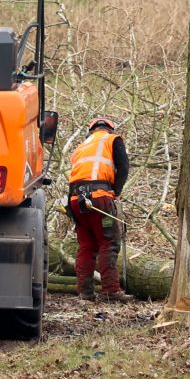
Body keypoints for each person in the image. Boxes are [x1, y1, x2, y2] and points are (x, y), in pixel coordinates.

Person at [66, 115, 130, 302]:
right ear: (110, 129)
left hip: (76, 200)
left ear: (91, 129)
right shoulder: (112, 140)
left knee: (86, 245)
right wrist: (116, 192)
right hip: (100, 197)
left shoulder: (81, 147)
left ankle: (85, 292)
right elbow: (123, 167)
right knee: (108, 243)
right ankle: (111, 290)